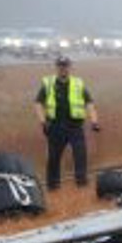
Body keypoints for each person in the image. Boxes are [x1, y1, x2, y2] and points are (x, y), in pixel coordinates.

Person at [33, 55, 99, 189]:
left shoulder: (78, 83)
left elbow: (89, 103)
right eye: (60, 66)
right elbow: (38, 103)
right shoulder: (49, 83)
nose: (63, 68)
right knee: (53, 157)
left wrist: (94, 121)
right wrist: (43, 121)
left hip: (74, 126)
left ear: (70, 67)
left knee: (80, 155)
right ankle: (53, 186)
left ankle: (81, 183)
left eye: (65, 66)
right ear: (56, 67)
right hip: (55, 126)